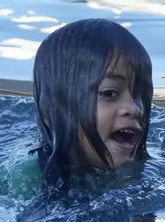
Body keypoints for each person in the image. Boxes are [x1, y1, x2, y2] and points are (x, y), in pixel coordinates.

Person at [30, 18, 154, 190]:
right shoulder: (26, 180)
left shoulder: (151, 172)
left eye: (138, 95)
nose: (134, 108)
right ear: (51, 111)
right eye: (109, 93)